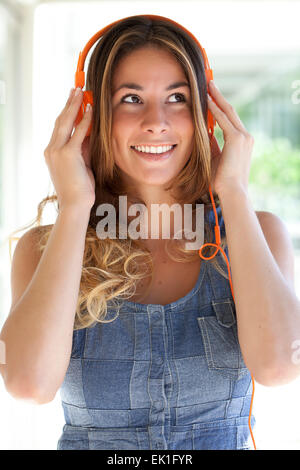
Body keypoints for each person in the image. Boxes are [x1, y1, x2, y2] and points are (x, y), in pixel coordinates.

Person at [1, 15, 299, 451]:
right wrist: (75, 207)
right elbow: (28, 385)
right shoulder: (45, 248)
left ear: (205, 113)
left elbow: (280, 368)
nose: (156, 121)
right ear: (92, 116)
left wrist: (232, 190)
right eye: (131, 99)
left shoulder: (257, 234)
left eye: (177, 97)